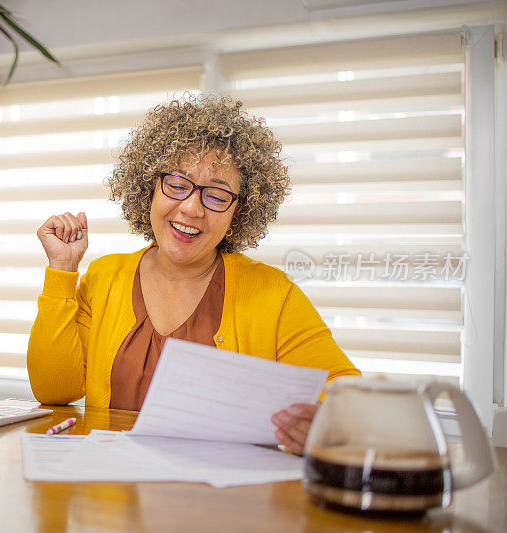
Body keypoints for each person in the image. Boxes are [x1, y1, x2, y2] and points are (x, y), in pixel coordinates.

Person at [27, 94, 360, 454]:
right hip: (111, 502)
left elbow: (346, 398)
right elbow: (54, 391)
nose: (190, 208)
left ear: (239, 212)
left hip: (215, 503)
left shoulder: (272, 293)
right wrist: (62, 270)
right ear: (149, 187)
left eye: (216, 196)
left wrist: (319, 426)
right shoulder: (104, 277)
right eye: (177, 184)